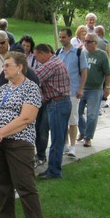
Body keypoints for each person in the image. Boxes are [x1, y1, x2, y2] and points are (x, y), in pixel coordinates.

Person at [0, 52, 52, 218]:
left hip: (19, 142)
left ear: (20, 67)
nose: (3, 69)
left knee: (25, 186)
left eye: (7, 65)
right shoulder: (3, 88)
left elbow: (27, 118)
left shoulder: (31, 88)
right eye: (4, 65)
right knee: (2, 186)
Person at [34, 43, 71, 180]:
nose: (36, 59)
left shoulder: (50, 65)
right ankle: (53, 168)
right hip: (60, 103)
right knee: (57, 139)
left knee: (56, 140)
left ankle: (54, 171)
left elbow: (34, 77)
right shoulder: (56, 62)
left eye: (36, 56)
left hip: (57, 104)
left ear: (43, 54)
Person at [56, 27, 87, 157]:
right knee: (62, 120)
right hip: (60, 92)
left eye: (64, 37)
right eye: (60, 37)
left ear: (69, 37)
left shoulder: (78, 53)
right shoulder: (58, 53)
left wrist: (80, 88)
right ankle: (65, 144)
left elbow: (84, 71)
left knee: (73, 120)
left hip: (73, 91)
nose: (61, 39)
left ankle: (73, 146)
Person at [78, 35, 110, 147]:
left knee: (92, 115)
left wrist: (107, 87)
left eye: (89, 41)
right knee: (77, 113)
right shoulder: (82, 53)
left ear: (95, 43)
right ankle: (82, 132)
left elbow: (108, 73)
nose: (86, 43)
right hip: (81, 88)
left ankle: (88, 137)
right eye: (85, 41)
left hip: (95, 89)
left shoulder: (102, 55)